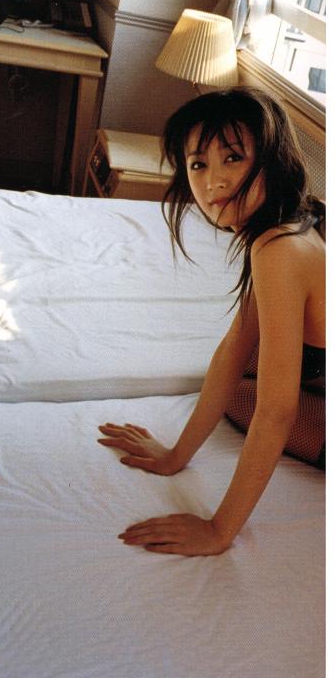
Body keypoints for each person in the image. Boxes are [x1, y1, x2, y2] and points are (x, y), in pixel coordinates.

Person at [98, 87, 325, 556]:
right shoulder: (294, 220)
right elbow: (235, 345)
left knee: (250, 399)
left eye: (233, 158)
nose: (212, 181)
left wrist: (220, 530)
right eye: (198, 164)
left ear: (273, 161)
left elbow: (277, 410)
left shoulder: (279, 250)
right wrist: (175, 456)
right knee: (242, 383)